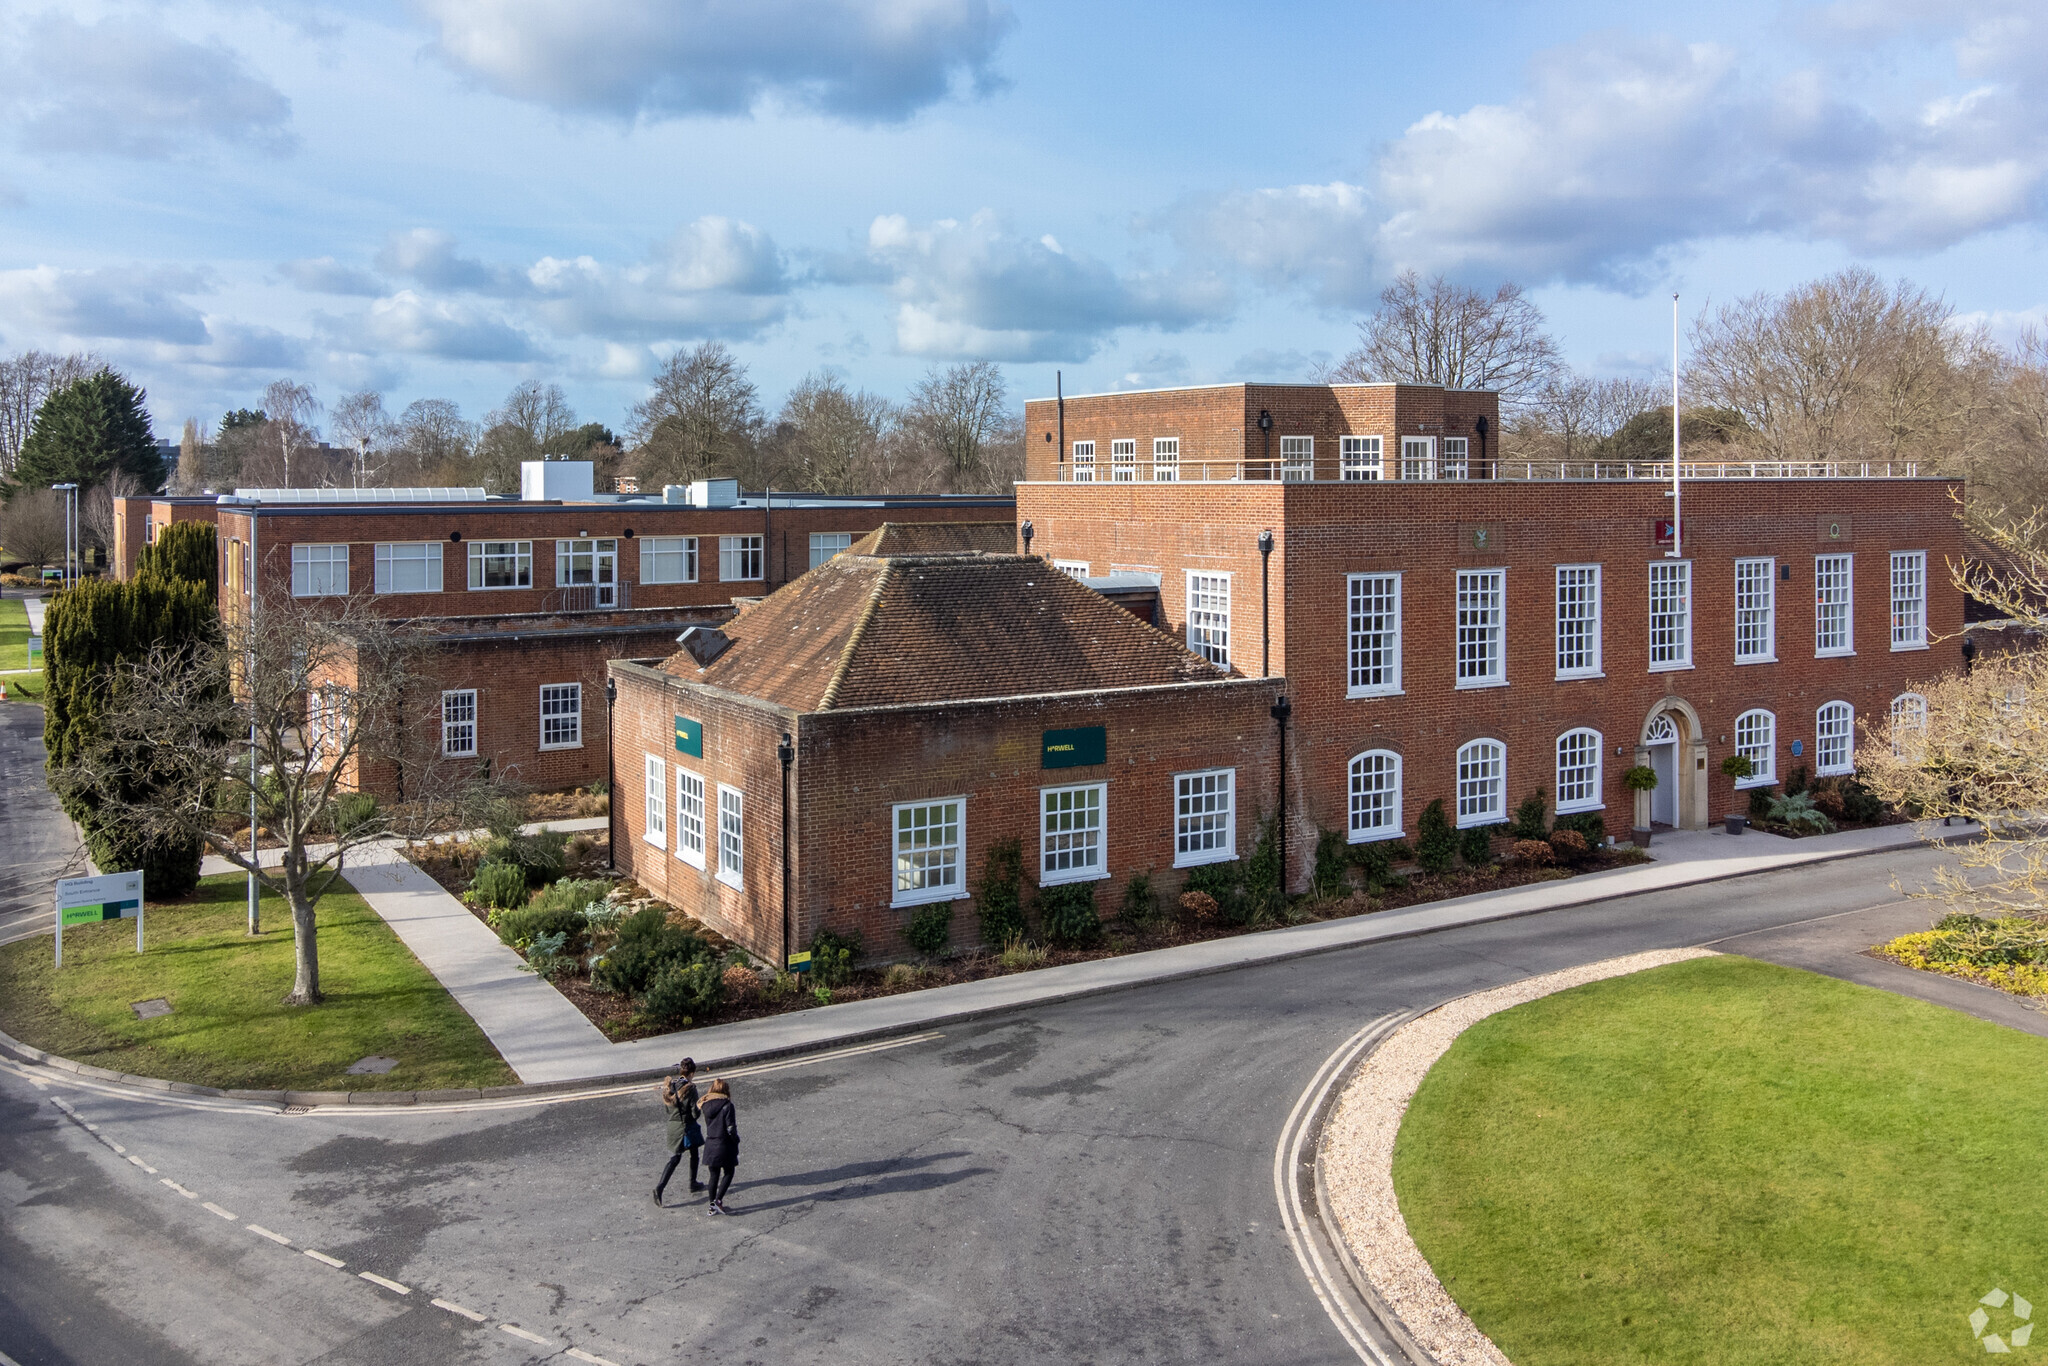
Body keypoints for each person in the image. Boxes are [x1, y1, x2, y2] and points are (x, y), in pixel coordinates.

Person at [653, 1058, 702, 1206]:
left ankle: (692, 1183)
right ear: (692, 1073)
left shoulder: (671, 1086)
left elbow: (668, 1109)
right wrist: (700, 1107)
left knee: (687, 1153)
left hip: (673, 1127)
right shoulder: (690, 1088)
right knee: (681, 1157)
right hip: (686, 1127)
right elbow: (694, 1113)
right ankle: (661, 1188)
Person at [699, 1077, 739, 1215]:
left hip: (710, 1143)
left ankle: (712, 1206)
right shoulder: (728, 1105)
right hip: (724, 1144)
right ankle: (718, 1201)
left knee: (713, 1176)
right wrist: (736, 1140)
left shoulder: (706, 1105)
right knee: (729, 1172)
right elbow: (731, 1128)